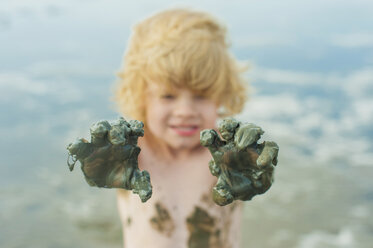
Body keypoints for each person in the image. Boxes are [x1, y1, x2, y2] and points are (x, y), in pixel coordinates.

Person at [114, 8, 248, 248]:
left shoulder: (229, 157)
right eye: (168, 96)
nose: (185, 111)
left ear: (221, 94)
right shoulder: (129, 157)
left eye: (201, 96)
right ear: (141, 97)